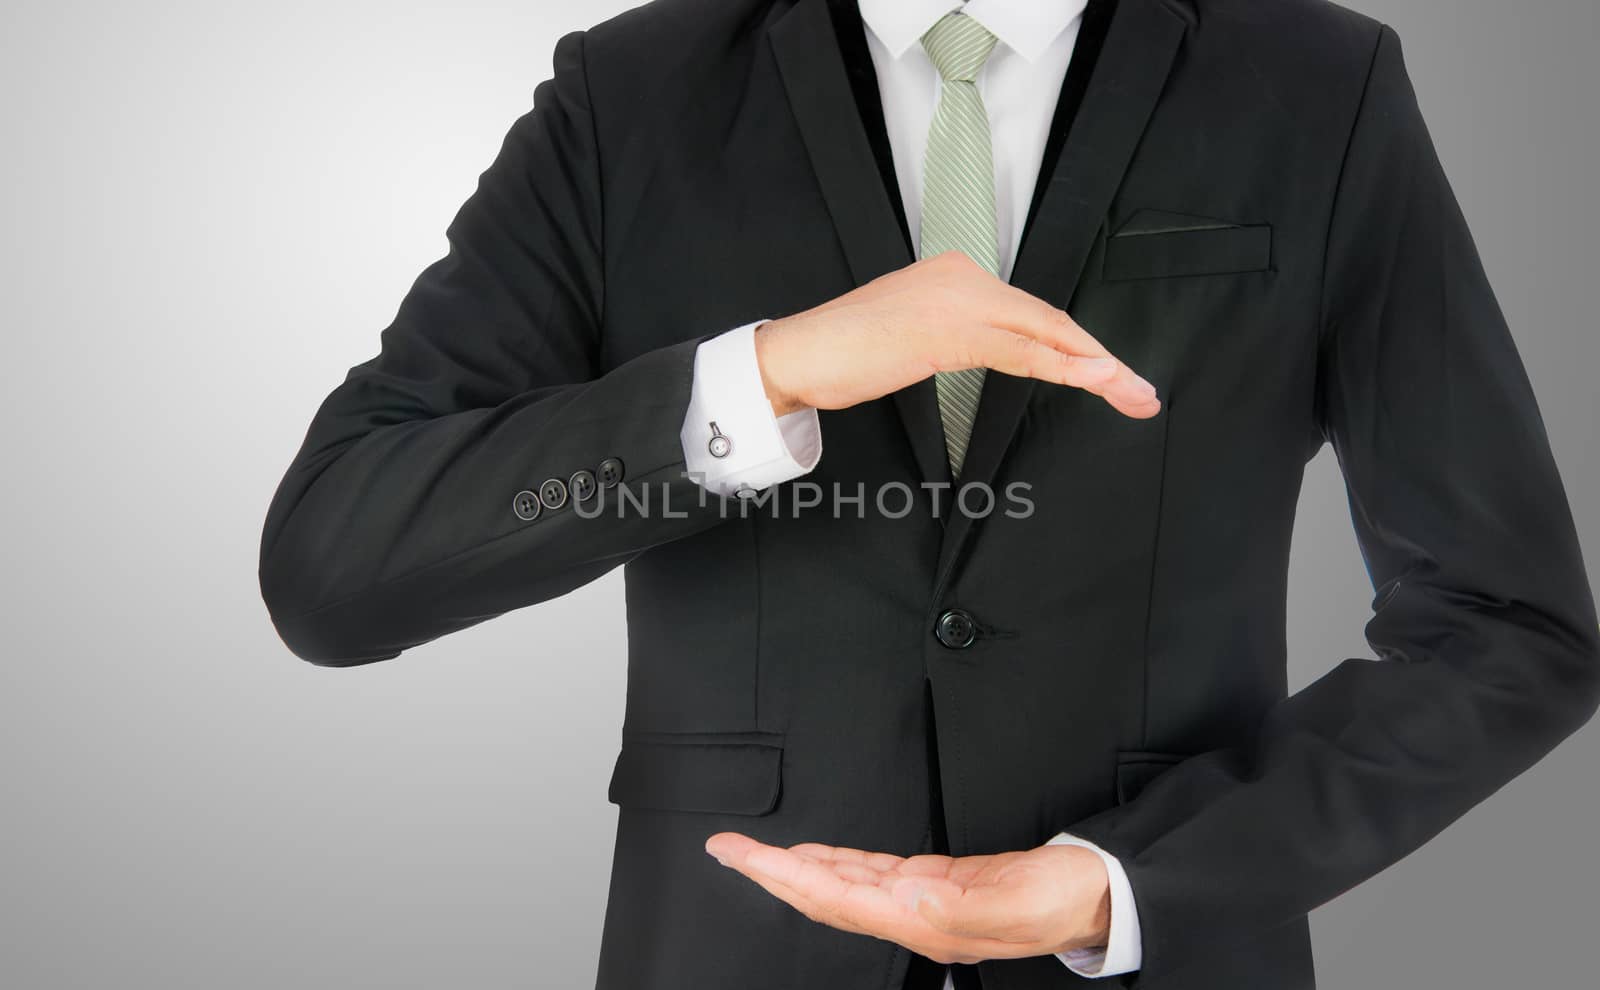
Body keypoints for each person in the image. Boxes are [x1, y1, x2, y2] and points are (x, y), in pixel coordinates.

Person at [257, 1, 1600, 987]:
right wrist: (767, 373)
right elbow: (336, 559)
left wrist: (1128, 881)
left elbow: (1509, 626)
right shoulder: (630, 98)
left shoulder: (1318, 85)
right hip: (734, 955)